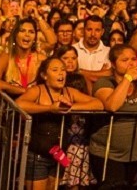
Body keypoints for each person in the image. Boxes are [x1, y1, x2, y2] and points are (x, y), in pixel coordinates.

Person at [87, 44, 137, 190]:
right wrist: (128, 78)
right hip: (107, 154)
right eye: (124, 60)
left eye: (133, 59)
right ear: (113, 64)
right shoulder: (105, 82)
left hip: (134, 155)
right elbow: (112, 106)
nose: (131, 63)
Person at [17, 57, 103, 190]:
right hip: (38, 154)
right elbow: (19, 104)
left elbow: (98, 104)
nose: (61, 73)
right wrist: (50, 108)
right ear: (44, 75)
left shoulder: (69, 92)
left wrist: (69, 107)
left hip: (59, 154)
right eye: (55, 70)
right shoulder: (37, 90)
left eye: (63, 70)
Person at [54, 45, 96, 189]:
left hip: (79, 135)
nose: (70, 61)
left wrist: (72, 107)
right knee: (58, 178)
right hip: (61, 136)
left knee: (75, 179)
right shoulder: (56, 80)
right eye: (65, 58)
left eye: (73, 58)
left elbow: (92, 99)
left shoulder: (82, 78)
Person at [0, 17, 45, 98]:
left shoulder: (41, 59)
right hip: (11, 104)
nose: (27, 34)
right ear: (15, 35)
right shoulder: (6, 57)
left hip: (35, 103)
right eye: (22, 31)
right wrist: (22, 90)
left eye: (31, 32)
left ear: (35, 38)